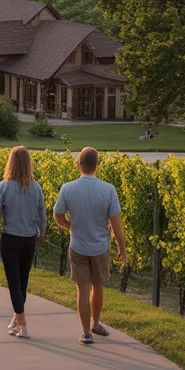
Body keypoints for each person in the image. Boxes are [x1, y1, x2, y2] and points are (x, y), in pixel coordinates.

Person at [53, 147, 127, 345]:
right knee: (98, 286)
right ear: (97, 165)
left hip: (78, 245)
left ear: (79, 164)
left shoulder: (68, 188)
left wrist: (70, 227)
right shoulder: (108, 190)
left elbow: (57, 215)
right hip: (101, 247)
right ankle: (95, 323)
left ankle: (86, 333)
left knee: (82, 290)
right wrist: (122, 248)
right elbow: (116, 224)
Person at [0, 146, 46, 339]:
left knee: (13, 283)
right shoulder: (36, 188)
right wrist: (41, 233)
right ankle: (16, 320)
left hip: (10, 237)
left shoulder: (4, 186)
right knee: (22, 282)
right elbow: (42, 215)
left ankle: (23, 326)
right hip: (29, 239)